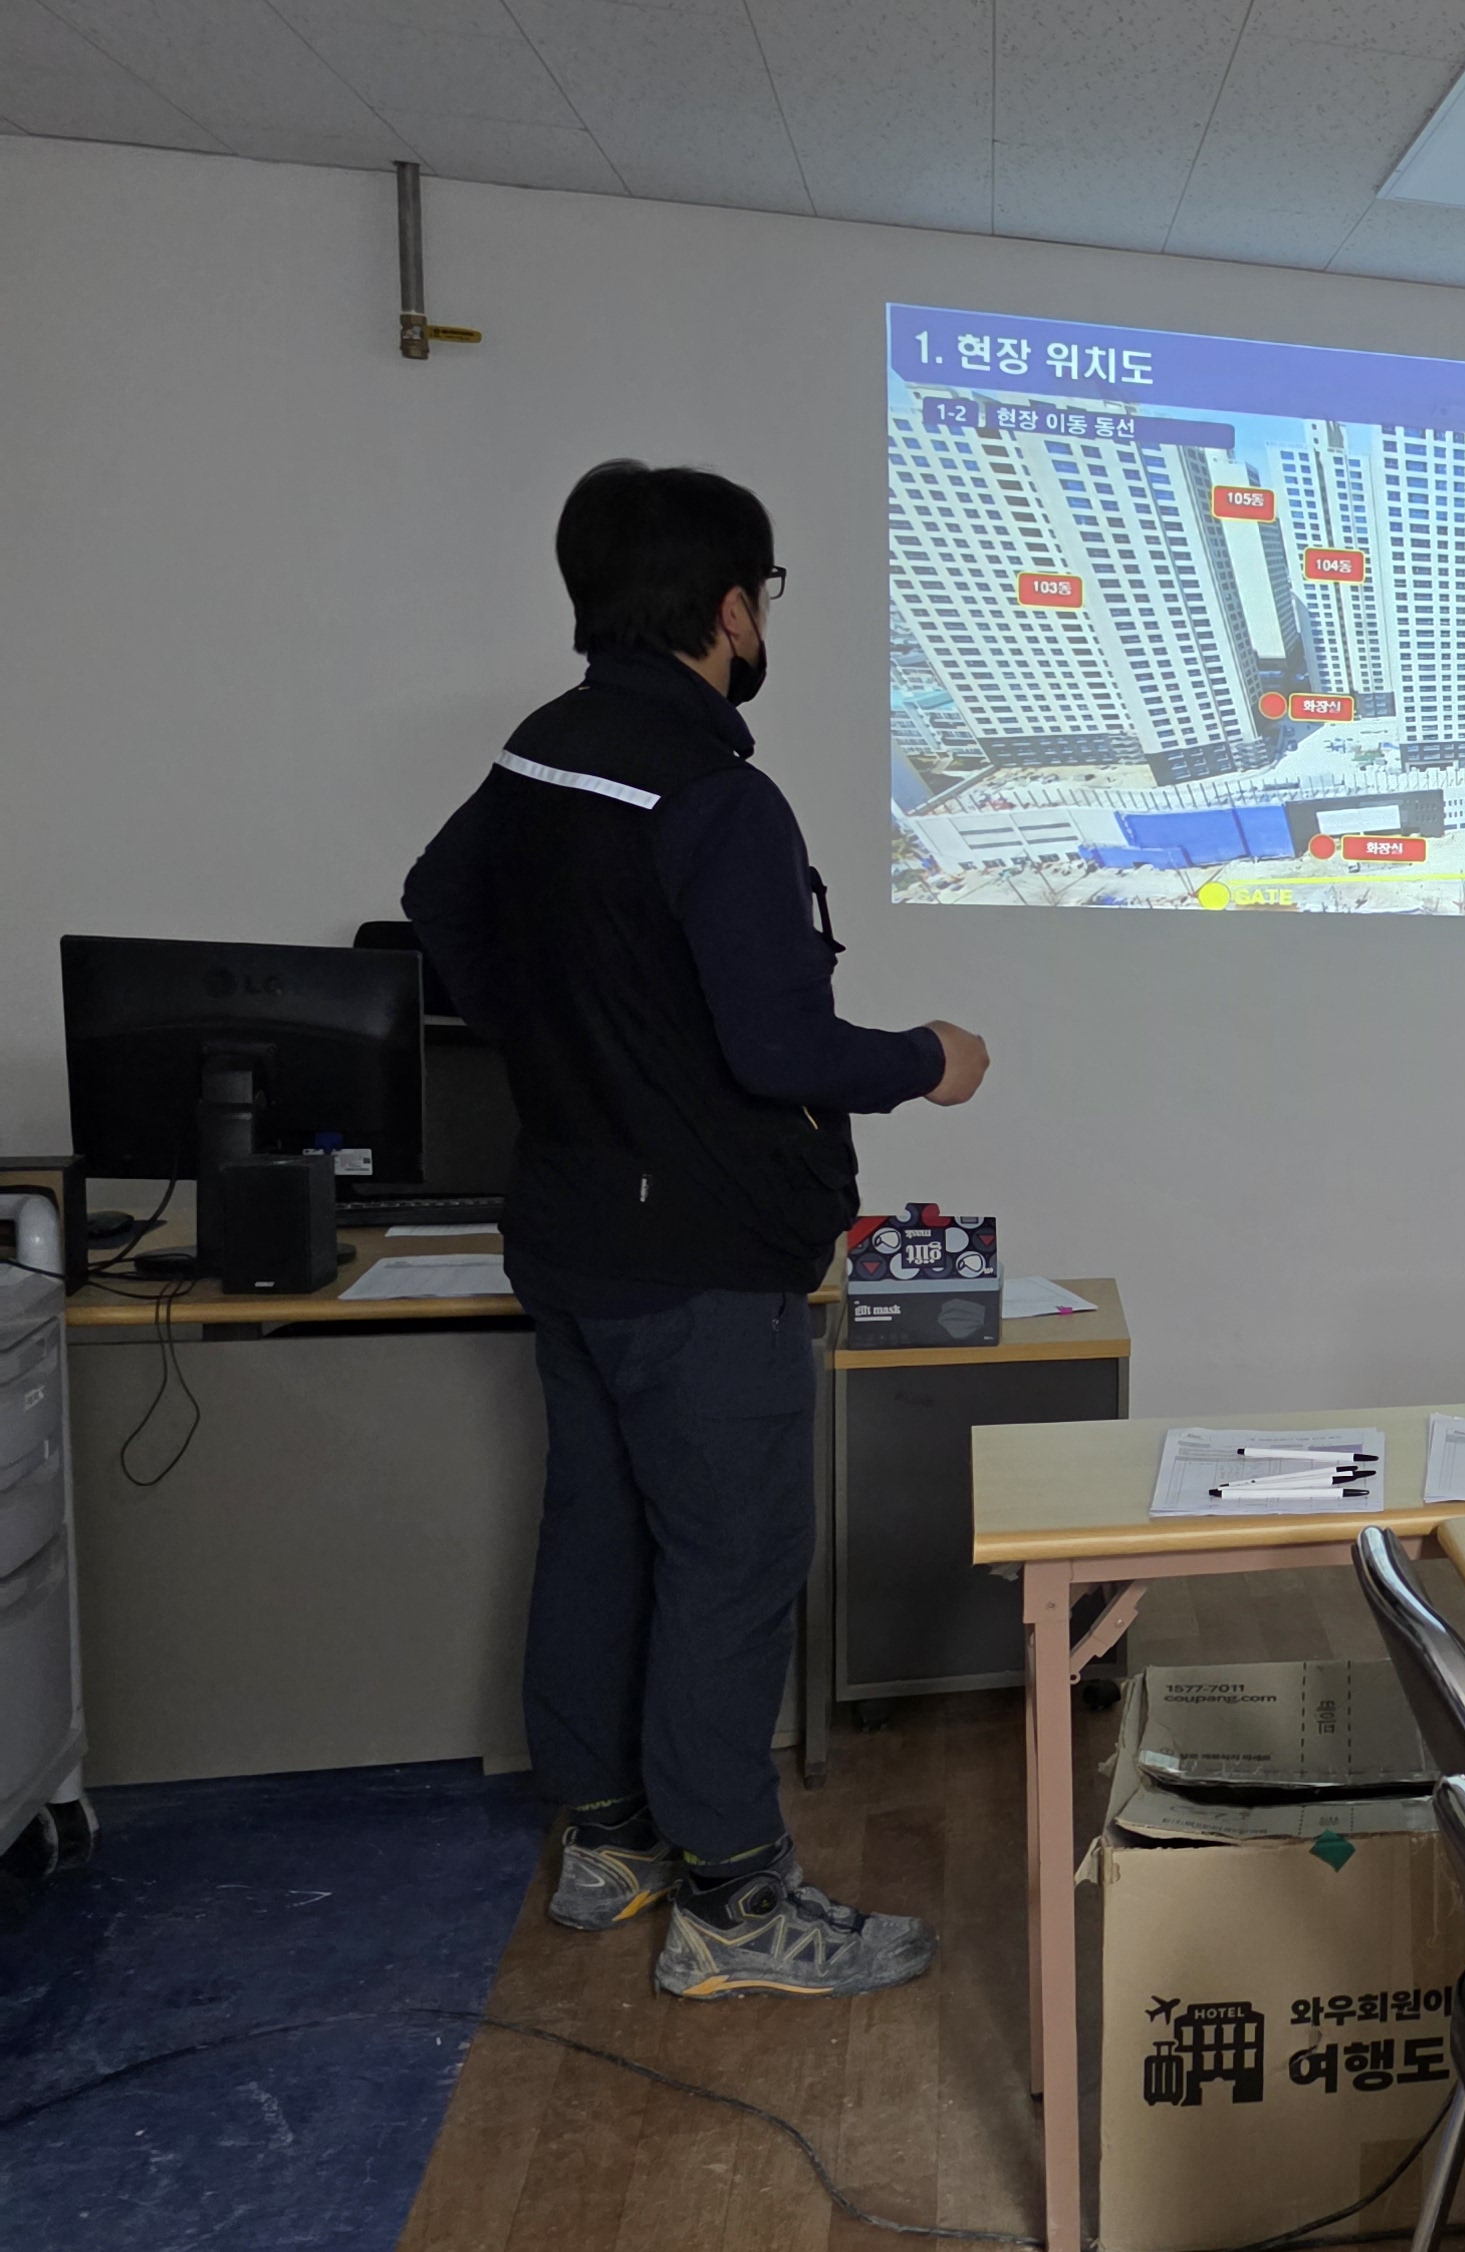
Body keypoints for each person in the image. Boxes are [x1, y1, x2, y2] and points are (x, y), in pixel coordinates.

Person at [404, 461, 991, 1999]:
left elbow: (436, 908)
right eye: (765, 597)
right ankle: (734, 1900)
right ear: (732, 611)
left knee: (600, 1536)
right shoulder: (716, 797)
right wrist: (927, 1058)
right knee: (731, 1564)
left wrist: (570, 1051)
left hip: (573, 1236)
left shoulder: (541, 755)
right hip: (702, 1266)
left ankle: (611, 1842)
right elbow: (778, 1046)